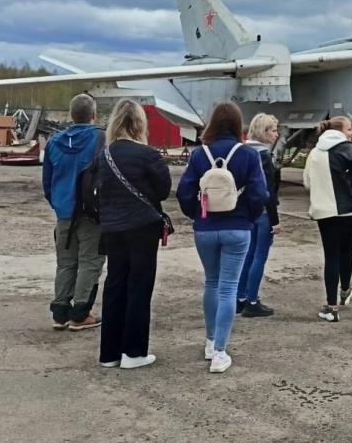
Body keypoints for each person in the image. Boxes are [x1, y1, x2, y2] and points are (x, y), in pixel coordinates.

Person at [176, 101, 269, 373]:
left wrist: (198, 214)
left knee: (212, 283)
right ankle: (220, 353)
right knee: (229, 287)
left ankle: (209, 341)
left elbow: (183, 192)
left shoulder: (199, 154)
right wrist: (248, 217)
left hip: (205, 227)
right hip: (238, 228)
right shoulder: (249, 155)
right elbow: (259, 195)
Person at [95, 100, 172, 369]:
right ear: (140, 123)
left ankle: (109, 353)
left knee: (115, 284)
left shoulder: (104, 155)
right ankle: (134, 351)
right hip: (141, 227)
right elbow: (163, 190)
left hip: (113, 227)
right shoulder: (148, 154)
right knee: (139, 286)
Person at [43, 93, 106, 331]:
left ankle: (60, 311)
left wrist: (58, 204)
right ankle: (80, 313)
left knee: (65, 263)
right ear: (93, 115)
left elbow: (47, 182)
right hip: (91, 212)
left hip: (64, 212)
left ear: (71, 115)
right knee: (91, 261)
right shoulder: (102, 138)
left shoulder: (53, 142)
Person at [303, 116, 352, 323]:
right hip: (350, 210)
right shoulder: (350, 149)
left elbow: (307, 182)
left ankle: (331, 307)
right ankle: (345, 289)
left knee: (331, 255)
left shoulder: (315, 152)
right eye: (350, 129)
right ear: (341, 130)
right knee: (346, 251)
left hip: (325, 211)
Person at [236, 113, 282, 318]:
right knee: (259, 256)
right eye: (273, 130)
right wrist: (275, 220)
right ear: (264, 133)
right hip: (263, 212)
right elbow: (269, 190)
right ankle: (253, 300)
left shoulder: (242, 151)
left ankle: (240, 296)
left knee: (247, 254)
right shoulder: (263, 155)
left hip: (245, 211)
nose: (276, 134)